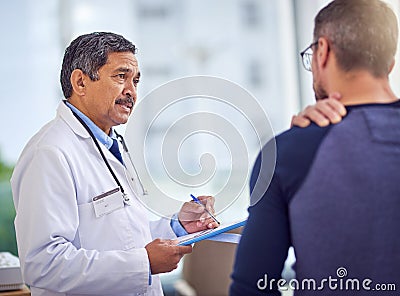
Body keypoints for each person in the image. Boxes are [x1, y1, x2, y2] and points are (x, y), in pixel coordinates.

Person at [11, 32, 219, 296]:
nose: (131, 91)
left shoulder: (112, 144)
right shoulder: (49, 153)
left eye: (135, 81)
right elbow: (43, 264)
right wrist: (143, 263)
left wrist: (177, 225)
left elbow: (125, 234)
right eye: (121, 77)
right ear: (80, 82)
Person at [231, 0, 400, 295]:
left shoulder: (287, 155)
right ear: (390, 63)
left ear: (322, 52)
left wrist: (299, 144)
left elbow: (252, 288)